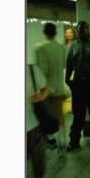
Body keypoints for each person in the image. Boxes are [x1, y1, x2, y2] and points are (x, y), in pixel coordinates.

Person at [65, 21, 90, 152]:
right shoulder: (73, 46)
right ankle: (74, 141)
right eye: (80, 29)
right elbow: (69, 65)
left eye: (85, 29)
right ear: (77, 30)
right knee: (78, 114)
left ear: (88, 30)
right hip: (78, 84)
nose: (82, 31)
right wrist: (68, 82)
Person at [35, 22, 69, 152]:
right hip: (60, 87)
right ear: (55, 33)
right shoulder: (61, 48)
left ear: (44, 33)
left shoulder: (40, 48)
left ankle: (52, 140)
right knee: (59, 114)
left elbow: (42, 70)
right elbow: (63, 65)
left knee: (45, 115)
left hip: (47, 89)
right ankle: (62, 140)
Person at [26, 63, 49, 178]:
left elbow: (46, 88)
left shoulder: (31, 69)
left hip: (33, 124)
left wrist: (41, 96)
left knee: (39, 159)